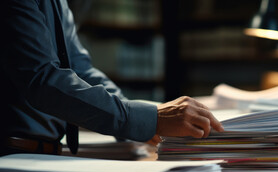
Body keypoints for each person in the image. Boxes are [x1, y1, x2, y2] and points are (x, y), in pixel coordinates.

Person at [0, 0, 223, 156]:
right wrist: (147, 118)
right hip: (11, 158)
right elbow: (42, 80)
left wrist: (148, 120)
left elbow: (81, 70)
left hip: (42, 156)